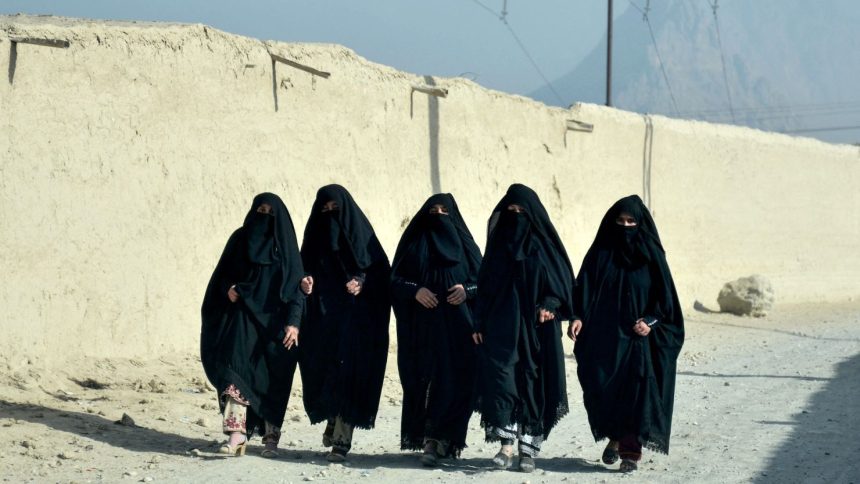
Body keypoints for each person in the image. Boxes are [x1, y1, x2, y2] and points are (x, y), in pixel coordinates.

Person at [571, 195, 684, 473]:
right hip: (603, 336)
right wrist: (576, 316)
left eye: (631, 221)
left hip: (637, 340)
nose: (625, 226)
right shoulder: (600, 252)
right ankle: (614, 436)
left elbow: (666, 299)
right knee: (603, 389)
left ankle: (630, 453)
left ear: (641, 223)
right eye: (620, 221)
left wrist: (650, 320)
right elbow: (583, 287)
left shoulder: (651, 254)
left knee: (635, 393)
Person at [473, 184, 576, 473]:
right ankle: (506, 446)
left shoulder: (545, 247)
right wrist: (478, 322)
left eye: (521, 211)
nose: (515, 216)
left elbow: (562, 284)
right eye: (511, 211)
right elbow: (485, 288)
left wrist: (550, 303)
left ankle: (527, 449)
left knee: (533, 381)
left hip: (537, 328)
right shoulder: (497, 247)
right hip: (500, 325)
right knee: (502, 378)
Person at [200, 193, 304, 458]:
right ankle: (236, 436)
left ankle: (271, 438)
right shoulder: (239, 240)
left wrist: (294, 323)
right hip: (242, 320)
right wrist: (229, 289)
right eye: (261, 210)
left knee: (272, 382)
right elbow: (221, 276)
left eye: (271, 212)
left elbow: (296, 289)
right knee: (234, 374)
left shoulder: (286, 246)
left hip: (276, 327)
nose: (265, 216)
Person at [298, 184, 391, 462]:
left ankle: (341, 440)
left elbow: (380, 274)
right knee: (323, 371)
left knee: (350, 374)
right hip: (323, 318)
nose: (329, 215)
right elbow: (303, 266)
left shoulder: (365, 238)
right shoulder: (314, 237)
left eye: (335, 210)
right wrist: (305, 278)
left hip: (357, 319)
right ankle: (331, 417)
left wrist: (362, 282)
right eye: (324, 210)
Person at [391, 194, 482, 467]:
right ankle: (429, 438)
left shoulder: (467, 246)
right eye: (434, 210)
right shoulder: (415, 243)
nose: (439, 214)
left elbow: (486, 282)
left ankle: (444, 439)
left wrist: (467, 291)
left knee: (455, 382)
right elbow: (394, 281)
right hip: (423, 329)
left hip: (459, 330)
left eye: (445, 210)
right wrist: (415, 291)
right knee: (424, 379)